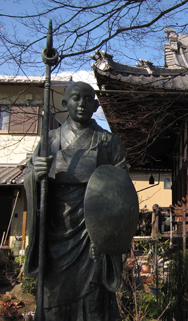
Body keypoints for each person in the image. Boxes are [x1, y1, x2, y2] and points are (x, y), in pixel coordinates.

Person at [24, 81, 127, 320]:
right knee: (54, 302)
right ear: (64, 103)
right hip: (56, 234)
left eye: (87, 99)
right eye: (75, 98)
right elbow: (31, 178)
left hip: (93, 235)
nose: (81, 104)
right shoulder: (49, 140)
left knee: (94, 305)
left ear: (95, 105)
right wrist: (36, 176)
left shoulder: (109, 142)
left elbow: (121, 189)